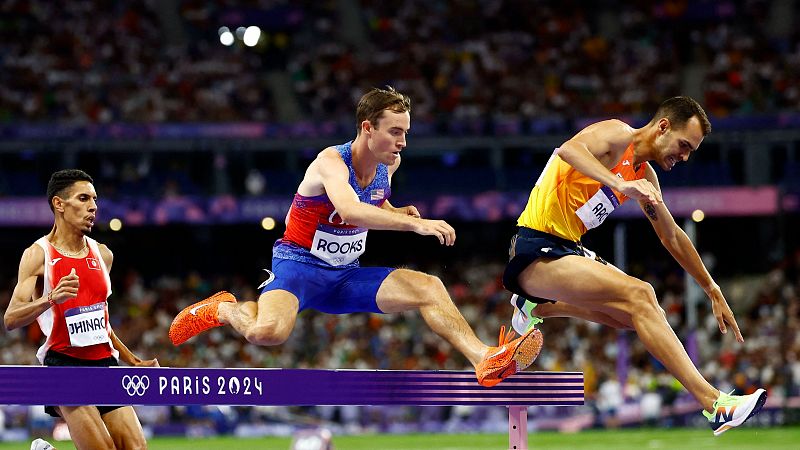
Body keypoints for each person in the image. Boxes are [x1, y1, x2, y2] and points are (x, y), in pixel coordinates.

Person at [169, 86, 542, 387]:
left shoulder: (389, 164)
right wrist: (415, 225)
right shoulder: (330, 163)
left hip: (347, 274)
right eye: (395, 132)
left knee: (430, 288)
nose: (403, 142)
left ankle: (484, 358)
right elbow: (349, 210)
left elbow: (375, 202)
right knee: (267, 334)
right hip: (299, 267)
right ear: (367, 128)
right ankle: (224, 308)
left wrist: (397, 212)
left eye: (406, 133)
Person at [503, 96, 766, 435]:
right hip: (535, 246)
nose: (684, 157)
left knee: (631, 318)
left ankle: (538, 305)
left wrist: (712, 289)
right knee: (642, 294)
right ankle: (715, 403)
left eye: (691, 152)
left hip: (568, 250)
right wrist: (619, 183)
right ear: (663, 127)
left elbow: (671, 236)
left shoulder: (647, 177)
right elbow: (569, 150)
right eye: (684, 145)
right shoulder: (617, 135)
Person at [4, 169, 158, 450]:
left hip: (105, 365)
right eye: (84, 198)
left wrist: (132, 360)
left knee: (137, 449)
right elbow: (11, 318)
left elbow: (101, 321)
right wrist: (50, 298)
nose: (93, 207)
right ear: (59, 204)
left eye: (95, 200)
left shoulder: (103, 254)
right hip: (64, 365)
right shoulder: (39, 254)